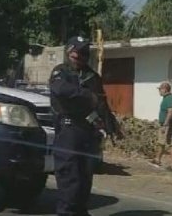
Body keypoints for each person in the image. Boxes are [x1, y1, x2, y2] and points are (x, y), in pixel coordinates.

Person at [48, 36, 122, 216]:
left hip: (88, 132)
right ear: (68, 52)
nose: (79, 56)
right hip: (68, 131)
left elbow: (101, 103)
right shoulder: (60, 72)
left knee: (84, 177)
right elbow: (60, 90)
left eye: (83, 53)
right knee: (69, 178)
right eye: (76, 52)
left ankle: (81, 212)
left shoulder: (92, 76)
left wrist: (112, 126)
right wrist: (87, 95)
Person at [149, 81, 172, 171]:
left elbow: (170, 112)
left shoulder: (169, 99)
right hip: (165, 124)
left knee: (171, 144)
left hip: (168, 125)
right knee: (161, 142)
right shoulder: (166, 98)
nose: (159, 91)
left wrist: (165, 124)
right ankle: (157, 160)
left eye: (160, 89)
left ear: (165, 89)